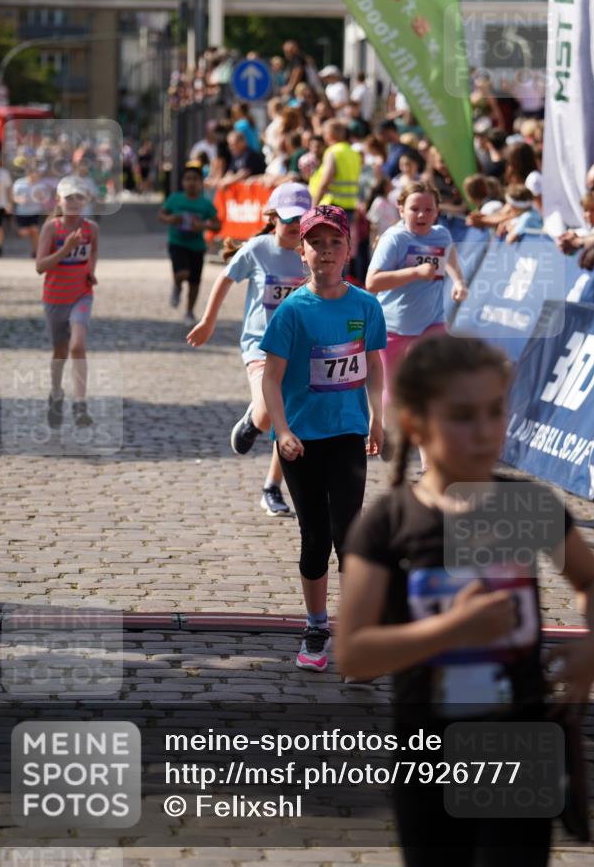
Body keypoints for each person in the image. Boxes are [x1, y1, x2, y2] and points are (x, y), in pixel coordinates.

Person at [336, 333, 594, 866]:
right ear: (417, 424)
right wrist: (452, 630)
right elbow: (354, 653)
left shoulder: (524, 505)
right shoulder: (389, 523)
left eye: (495, 411)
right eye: (463, 416)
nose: (485, 431)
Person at [261, 204, 386, 672]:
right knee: (315, 537)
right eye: (317, 243)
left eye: (335, 243)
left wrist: (377, 416)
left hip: (348, 434)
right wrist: (284, 429)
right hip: (301, 441)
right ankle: (316, 625)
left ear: (350, 249)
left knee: (348, 534)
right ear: (302, 251)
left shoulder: (365, 305)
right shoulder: (293, 311)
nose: (326, 251)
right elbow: (271, 379)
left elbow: (373, 365)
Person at [186, 182, 312, 515]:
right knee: (270, 412)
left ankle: (272, 487)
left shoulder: (311, 253)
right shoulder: (258, 249)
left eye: (301, 221)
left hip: (299, 348)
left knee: (289, 418)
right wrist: (208, 321)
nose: (295, 228)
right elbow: (226, 278)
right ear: (272, 218)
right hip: (260, 345)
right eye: (288, 221)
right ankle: (253, 422)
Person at [366, 183, 467, 444]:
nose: (421, 215)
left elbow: (449, 256)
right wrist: (414, 273)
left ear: (437, 212)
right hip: (393, 326)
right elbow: (372, 282)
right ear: (401, 210)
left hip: (431, 323)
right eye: (414, 209)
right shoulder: (395, 239)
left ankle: (428, 463)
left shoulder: (441, 235)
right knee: (391, 389)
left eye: (428, 209)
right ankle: (387, 432)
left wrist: (458, 282)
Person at [35, 175, 99, 429]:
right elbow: (40, 266)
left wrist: (91, 271)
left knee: (78, 346)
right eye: (68, 197)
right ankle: (56, 393)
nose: (73, 202)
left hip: (81, 294)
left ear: (85, 201)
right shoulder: (51, 228)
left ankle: (80, 404)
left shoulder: (91, 228)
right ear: (58, 201)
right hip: (55, 298)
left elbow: (93, 251)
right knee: (60, 353)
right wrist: (65, 249)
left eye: (78, 197)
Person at [158, 162, 221, 324]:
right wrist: (171, 219)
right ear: (183, 182)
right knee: (182, 273)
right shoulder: (175, 199)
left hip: (197, 246)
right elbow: (162, 215)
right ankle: (177, 286)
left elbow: (217, 224)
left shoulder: (205, 204)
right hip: (177, 242)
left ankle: (189, 311)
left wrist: (204, 225)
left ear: (201, 183)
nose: (191, 182)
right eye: (188, 179)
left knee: (194, 281)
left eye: (195, 179)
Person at [309, 119, 362, 219]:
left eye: (324, 133)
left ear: (330, 134)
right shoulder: (354, 153)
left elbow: (325, 181)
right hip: (350, 207)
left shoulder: (333, 151)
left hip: (332, 207)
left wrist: (314, 206)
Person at [11, 166, 52, 258]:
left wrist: (41, 197)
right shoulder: (19, 183)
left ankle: (35, 252)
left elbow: (45, 198)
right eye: (34, 173)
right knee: (24, 233)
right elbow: (13, 196)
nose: (36, 175)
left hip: (35, 211)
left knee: (35, 231)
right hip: (22, 212)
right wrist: (19, 200)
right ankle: (19, 232)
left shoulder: (40, 185)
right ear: (29, 173)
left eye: (37, 173)